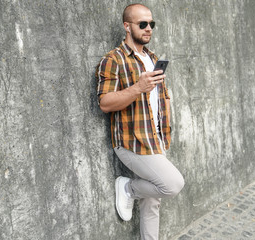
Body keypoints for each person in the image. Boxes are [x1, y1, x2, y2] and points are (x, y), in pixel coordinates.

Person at [95, 3, 184, 240]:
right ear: (127, 26)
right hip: (130, 143)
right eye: (142, 24)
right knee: (172, 184)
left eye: (151, 24)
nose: (148, 29)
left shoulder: (152, 58)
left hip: (155, 139)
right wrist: (138, 88)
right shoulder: (114, 60)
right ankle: (128, 188)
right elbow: (105, 103)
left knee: (152, 201)